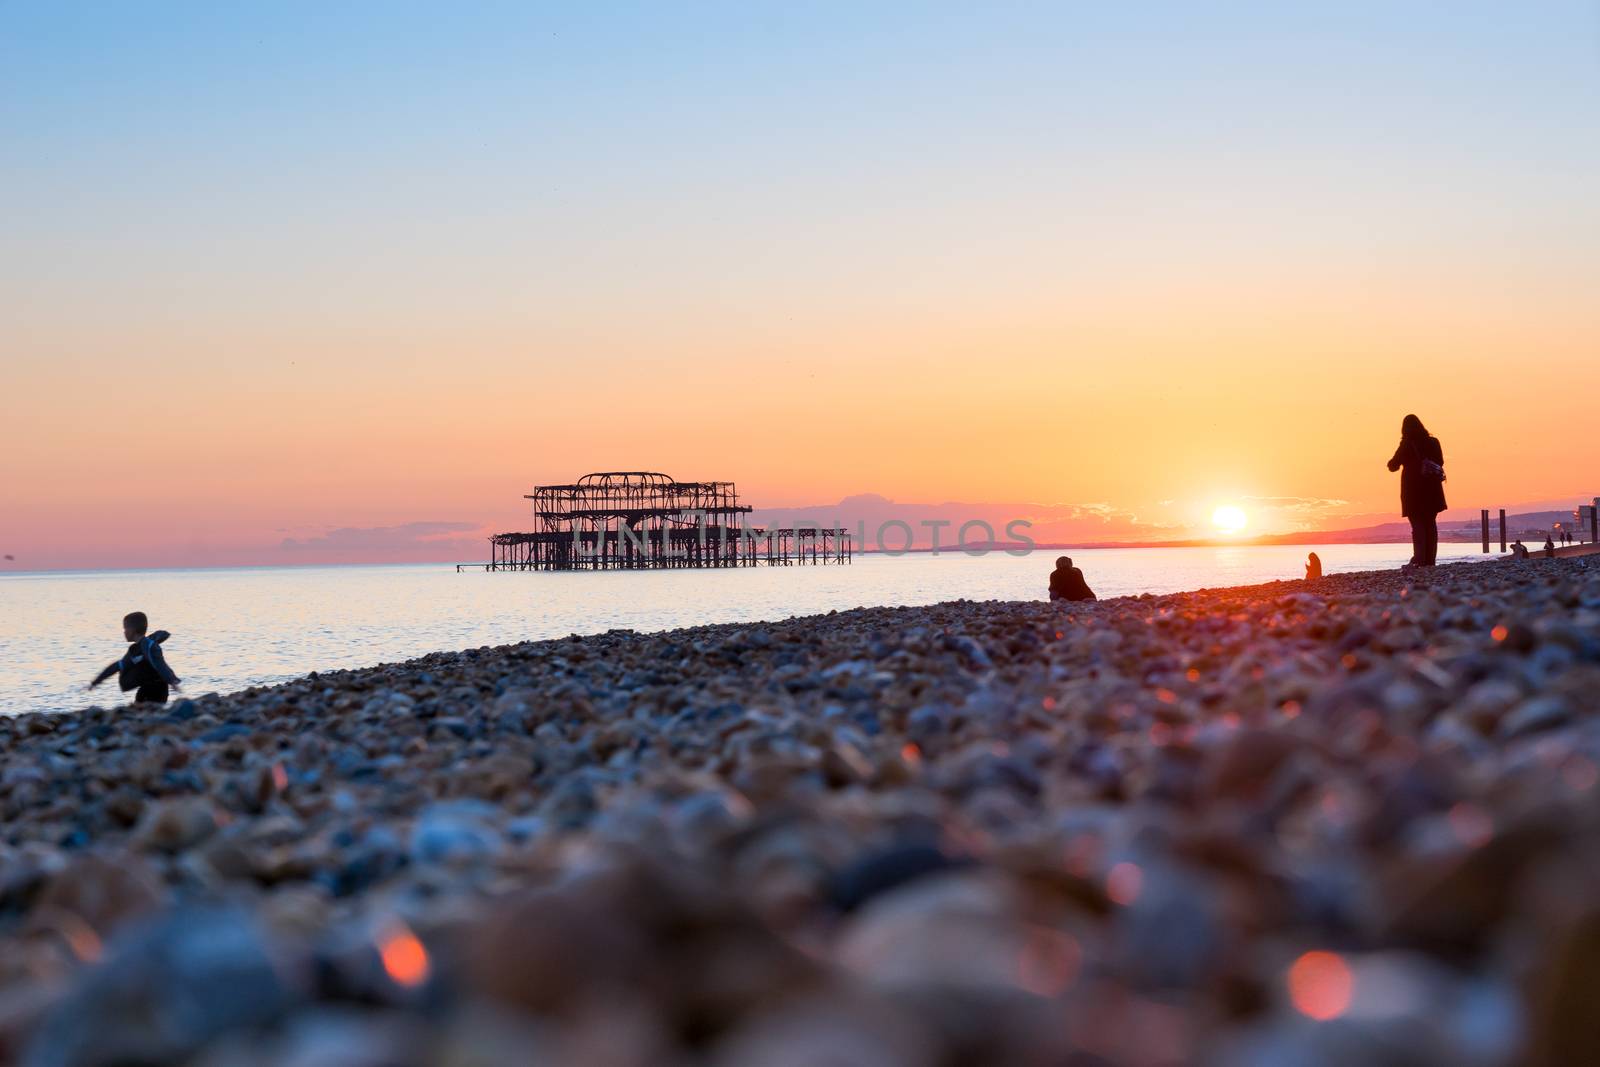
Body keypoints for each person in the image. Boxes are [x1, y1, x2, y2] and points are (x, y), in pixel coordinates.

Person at [1387, 414, 1447, 567]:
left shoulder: (1407, 444)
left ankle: (1419, 559)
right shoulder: (1434, 442)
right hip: (1432, 489)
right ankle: (1430, 561)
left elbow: (1393, 465)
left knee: (1418, 524)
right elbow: (1440, 462)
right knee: (1430, 524)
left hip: (1413, 490)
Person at [89, 611, 181, 704]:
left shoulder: (149, 646)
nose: (124, 632)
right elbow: (117, 666)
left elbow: (160, 664)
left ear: (132, 630)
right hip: (145, 688)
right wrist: (96, 682)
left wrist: (172, 681)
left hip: (158, 689)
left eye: (125, 628)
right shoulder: (135, 650)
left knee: (148, 714)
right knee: (138, 709)